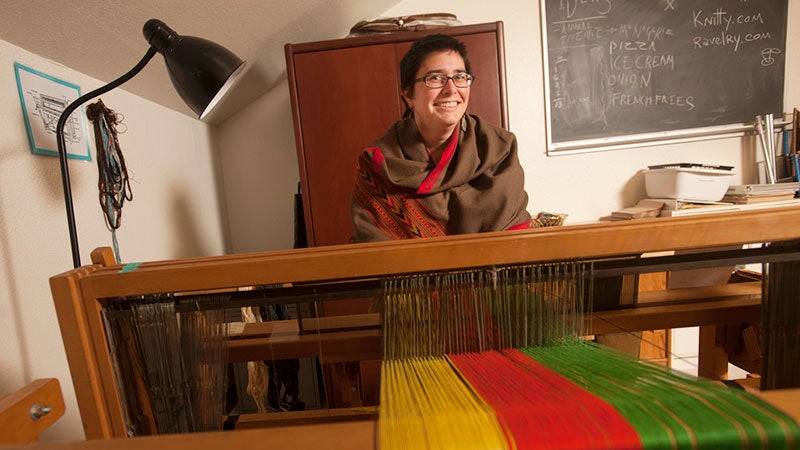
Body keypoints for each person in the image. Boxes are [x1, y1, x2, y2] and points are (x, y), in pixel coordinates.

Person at [350, 33, 531, 243]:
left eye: (460, 77)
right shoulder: (379, 164)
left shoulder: (499, 148)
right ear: (409, 94)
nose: (451, 89)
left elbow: (513, 241)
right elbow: (375, 252)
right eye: (435, 78)